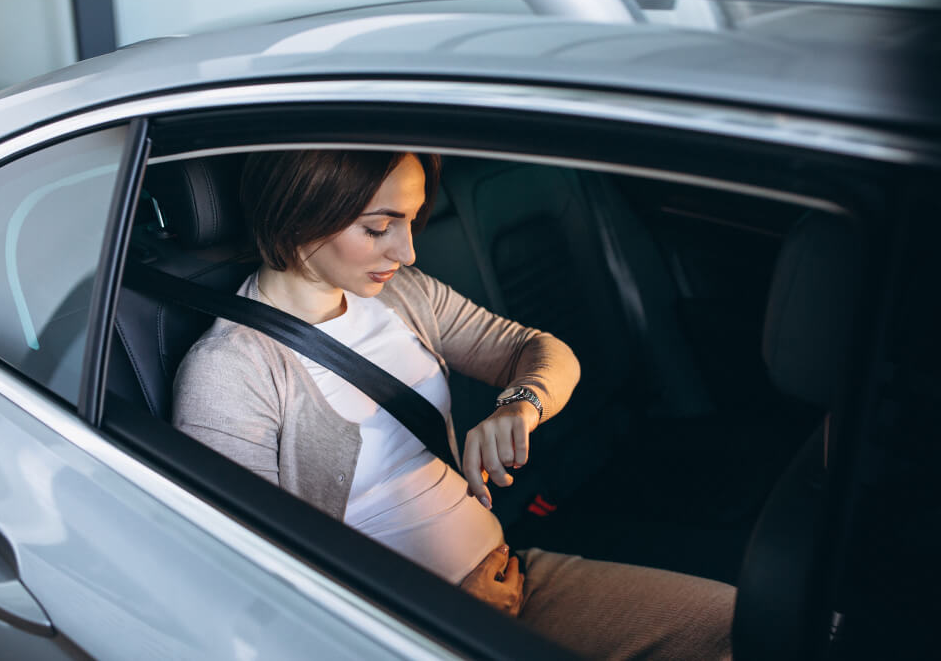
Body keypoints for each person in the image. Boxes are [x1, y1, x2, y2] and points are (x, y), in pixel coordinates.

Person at [173, 150, 735, 660]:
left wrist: (519, 406)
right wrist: (446, 616)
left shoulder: (404, 295)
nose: (407, 251)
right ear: (300, 215)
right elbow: (247, 589)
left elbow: (541, 350)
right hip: (399, 632)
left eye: (411, 220)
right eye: (379, 227)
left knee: (736, 626)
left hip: (515, 579)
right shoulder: (232, 370)